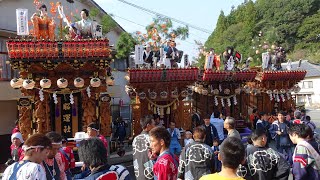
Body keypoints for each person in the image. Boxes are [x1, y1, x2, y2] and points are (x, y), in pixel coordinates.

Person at [132, 115, 156, 180]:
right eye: (153, 124)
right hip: (150, 172)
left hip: (139, 171)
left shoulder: (135, 139)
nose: (155, 126)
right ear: (148, 125)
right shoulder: (151, 139)